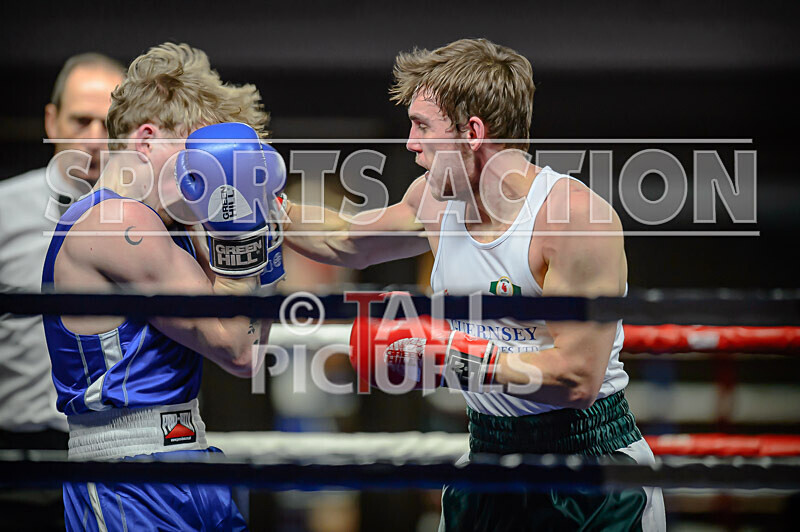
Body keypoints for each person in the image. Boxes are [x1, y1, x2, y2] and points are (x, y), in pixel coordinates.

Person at [281, 38, 666, 530]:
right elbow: (344, 240)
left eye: (423, 126)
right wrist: (267, 208)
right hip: (488, 456)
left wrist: (451, 357)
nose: (410, 143)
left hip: (588, 466)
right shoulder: (434, 201)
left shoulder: (572, 219)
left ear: (472, 133)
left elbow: (577, 379)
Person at [41, 43, 285, 531]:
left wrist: (262, 238)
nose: (207, 174)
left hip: (190, 455)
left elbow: (253, 346)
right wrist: (241, 235)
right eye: (197, 155)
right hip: (127, 478)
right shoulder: (115, 223)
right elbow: (237, 351)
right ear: (147, 140)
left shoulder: (172, 227)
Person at [0, 52, 124, 530]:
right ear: (52, 121)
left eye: (107, 123)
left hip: (122, 458)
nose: (94, 138)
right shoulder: (5, 211)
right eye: (80, 120)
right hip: (20, 462)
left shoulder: (158, 219)